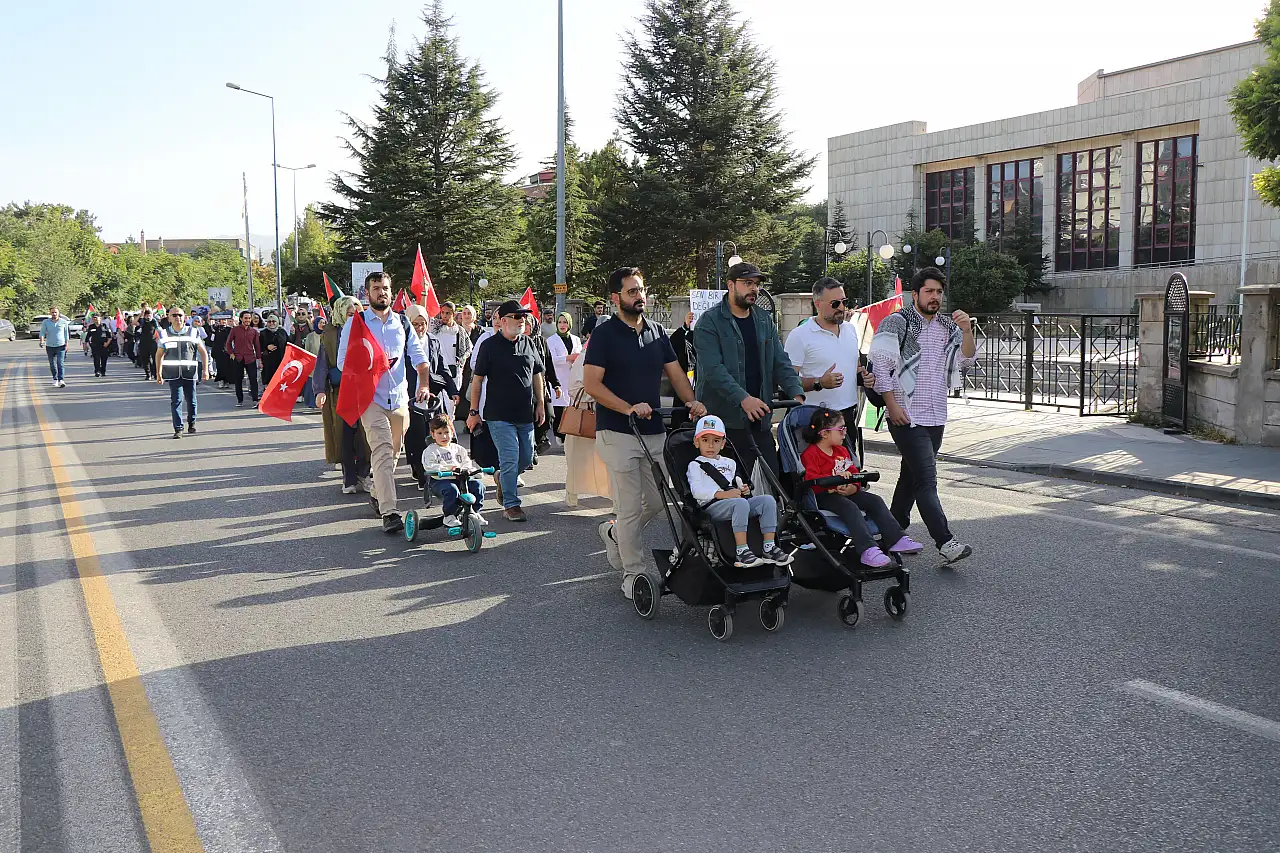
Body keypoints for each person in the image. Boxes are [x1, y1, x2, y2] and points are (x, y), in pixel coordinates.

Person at [584, 267, 706, 598]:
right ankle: (633, 573)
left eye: (642, 290)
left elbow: (677, 374)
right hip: (618, 431)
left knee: (656, 501)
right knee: (629, 507)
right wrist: (626, 407)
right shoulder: (604, 335)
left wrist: (693, 401)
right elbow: (592, 384)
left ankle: (614, 536)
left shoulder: (656, 332)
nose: (640, 297)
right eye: (632, 292)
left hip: (654, 431)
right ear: (615, 298)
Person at [869, 267, 978, 564]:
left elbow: (967, 362)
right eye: (929, 291)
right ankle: (945, 542)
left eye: (939, 292)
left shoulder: (948, 326)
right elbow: (880, 367)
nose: (935, 297)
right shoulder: (897, 322)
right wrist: (892, 406)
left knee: (911, 476)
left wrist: (967, 329)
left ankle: (891, 531)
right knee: (927, 481)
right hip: (906, 415)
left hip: (936, 414)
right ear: (915, 294)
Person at [337, 272, 435, 534]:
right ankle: (390, 512)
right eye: (376, 288)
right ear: (367, 293)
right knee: (381, 450)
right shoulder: (356, 323)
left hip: (400, 398)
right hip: (371, 399)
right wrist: (368, 365)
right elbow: (341, 361)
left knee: (392, 453)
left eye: (386, 288)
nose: (382, 292)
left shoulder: (402, 323)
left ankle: (375, 489)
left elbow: (418, 356)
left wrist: (423, 384)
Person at [693, 261, 804, 482]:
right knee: (733, 491)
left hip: (759, 419)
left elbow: (779, 361)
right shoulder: (710, 321)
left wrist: (797, 394)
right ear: (731, 285)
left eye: (756, 284)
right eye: (747, 283)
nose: (754, 289)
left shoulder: (763, 319)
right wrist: (744, 399)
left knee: (771, 484)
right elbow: (714, 370)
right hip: (723, 423)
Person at [800, 407, 923, 567]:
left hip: (846, 492)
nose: (845, 432)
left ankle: (896, 538)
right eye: (841, 429)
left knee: (875, 501)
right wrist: (832, 484)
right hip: (824, 496)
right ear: (824, 433)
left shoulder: (841, 451)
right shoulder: (811, 454)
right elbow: (811, 480)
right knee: (849, 507)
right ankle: (868, 549)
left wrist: (852, 487)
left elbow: (854, 473)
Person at [466, 300, 546, 523]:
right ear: (503, 321)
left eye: (524, 317)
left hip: (525, 414)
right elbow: (478, 380)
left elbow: (537, 374)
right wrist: (473, 411)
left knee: (525, 458)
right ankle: (511, 505)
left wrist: (540, 403)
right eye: (517, 317)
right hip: (498, 415)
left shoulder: (529, 344)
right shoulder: (489, 346)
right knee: (510, 458)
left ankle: (501, 477)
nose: (522, 320)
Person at [686, 414, 792, 567]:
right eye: (705, 440)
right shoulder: (695, 465)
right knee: (740, 504)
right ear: (696, 442)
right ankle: (742, 551)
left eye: (716, 441)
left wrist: (742, 489)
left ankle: (769, 548)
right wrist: (722, 495)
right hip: (711, 507)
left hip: (734, 502)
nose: (710, 445)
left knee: (767, 500)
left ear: (723, 444)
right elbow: (696, 491)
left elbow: (734, 483)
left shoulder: (729, 463)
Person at [785, 277, 879, 426]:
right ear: (818, 305)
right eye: (835, 303)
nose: (841, 307)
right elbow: (787, 381)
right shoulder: (800, 335)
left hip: (848, 414)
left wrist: (864, 377)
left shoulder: (850, 330)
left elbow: (855, 367)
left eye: (844, 302)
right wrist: (819, 382)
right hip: (815, 416)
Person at [313, 297, 372, 495]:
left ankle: (365, 474)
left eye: (355, 310)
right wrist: (320, 390)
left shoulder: (366, 328)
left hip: (364, 391)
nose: (352, 313)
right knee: (344, 436)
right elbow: (321, 365)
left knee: (366, 436)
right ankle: (349, 479)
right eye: (348, 311)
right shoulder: (329, 333)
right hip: (340, 392)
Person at [404, 305, 461, 489]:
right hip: (409, 397)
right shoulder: (402, 343)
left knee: (438, 432)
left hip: (433, 397)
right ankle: (419, 470)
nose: (419, 328)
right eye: (415, 324)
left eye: (423, 324)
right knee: (416, 436)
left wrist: (453, 391)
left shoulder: (434, 341)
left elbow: (443, 368)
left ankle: (439, 471)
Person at [562, 330, 611, 509]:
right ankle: (572, 495)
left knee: (610, 461)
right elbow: (576, 387)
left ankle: (615, 499)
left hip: (607, 414)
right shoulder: (585, 356)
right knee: (577, 460)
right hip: (585, 415)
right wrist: (598, 394)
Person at [422, 415, 486, 529]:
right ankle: (449, 516)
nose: (444, 436)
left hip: (461, 479)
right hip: (440, 480)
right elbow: (430, 466)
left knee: (478, 486)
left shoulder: (458, 449)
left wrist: (470, 470)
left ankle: (475, 511)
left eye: (447, 432)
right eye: (440, 433)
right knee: (452, 490)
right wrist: (447, 469)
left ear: (452, 432)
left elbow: (466, 462)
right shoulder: (431, 450)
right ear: (433, 434)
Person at [155, 308, 210, 438]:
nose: (177, 317)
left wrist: (206, 370)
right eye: (174, 315)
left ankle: (192, 422)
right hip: (173, 374)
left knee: (191, 400)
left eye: (180, 315)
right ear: (169, 318)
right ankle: (178, 428)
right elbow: (159, 355)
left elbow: (203, 352)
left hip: (190, 373)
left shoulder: (193, 332)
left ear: (184, 317)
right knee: (176, 400)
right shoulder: (164, 334)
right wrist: (158, 373)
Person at [526, 315, 560, 454]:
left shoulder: (541, 341)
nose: (526, 327)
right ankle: (531, 448)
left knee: (549, 414)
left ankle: (541, 439)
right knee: (529, 417)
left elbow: (549, 363)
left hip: (541, 384)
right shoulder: (519, 341)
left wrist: (556, 384)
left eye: (528, 324)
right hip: (525, 386)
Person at [430, 301, 471, 416]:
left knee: (451, 404)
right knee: (437, 404)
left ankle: (449, 429)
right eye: (442, 313)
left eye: (447, 313)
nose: (444, 316)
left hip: (453, 372)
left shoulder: (460, 332)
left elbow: (468, 349)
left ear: (453, 314)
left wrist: (462, 361)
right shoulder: (435, 329)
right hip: (437, 372)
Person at [546, 312, 581, 442]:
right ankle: (559, 434)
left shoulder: (576, 339)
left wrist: (575, 359)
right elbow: (551, 360)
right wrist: (567, 358)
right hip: (558, 377)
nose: (562, 325)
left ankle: (570, 434)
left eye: (565, 322)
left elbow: (580, 355)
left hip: (572, 377)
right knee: (559, 408)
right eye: (560, 322)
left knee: (571, 407)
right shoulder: (551, 340)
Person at [227, 310, 262, 407]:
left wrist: (259, 359)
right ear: (241, 319)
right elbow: (228, 343)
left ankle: (255, 400)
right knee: (238, 379)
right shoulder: (235, 330)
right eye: (246, 318)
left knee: (253, 379)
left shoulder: (253, 331)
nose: (248, 320)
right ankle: (239, 400)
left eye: (249, 318)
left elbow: (257, 346)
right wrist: (231, 353)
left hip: (250, 358)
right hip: (238, 358)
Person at [39, 307, 72, 387]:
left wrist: (67, 344)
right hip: (50, 345)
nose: (54, 314)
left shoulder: (63, 322)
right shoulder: (46, 322)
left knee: (60, 363)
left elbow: (66, 335)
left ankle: (61, 380)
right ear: (50, 313)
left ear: (58, 313)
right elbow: (42, 333)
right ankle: (55, 378)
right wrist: (41, 341)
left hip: (61, 345)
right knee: (52, 364)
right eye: (52, 312)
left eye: (55, 312)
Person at [259, 313, 288, 387]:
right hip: (268, 362)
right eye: (269, 322)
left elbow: (288, 344)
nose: (271, 323)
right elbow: (259, 346)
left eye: (273, 321)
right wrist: (266, 347)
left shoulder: (282, 332)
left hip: (281, 361)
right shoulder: (263, 333)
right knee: (269, 382)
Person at [137, 308, 159, 379]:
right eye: (147, 315)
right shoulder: (142, 321)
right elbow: (134, 322)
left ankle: (155, 374)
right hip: (143, 342)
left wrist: (157, 336)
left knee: (155, 358)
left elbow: (158, 329)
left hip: (152, 342)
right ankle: (148, 374)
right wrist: (141, 314)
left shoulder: (153, 321)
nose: (148, 317)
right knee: (145, 359)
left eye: (149, 315)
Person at [210, 316, 232, 388]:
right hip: (218, 350)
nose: (224, 321)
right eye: (222, 320)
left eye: (225, 320)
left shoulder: (229, 329)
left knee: (227, 366)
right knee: (219, 366)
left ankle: (226, 381)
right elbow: (212, 339)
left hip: (227, 350)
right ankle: (221, 381)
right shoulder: (216, 328)